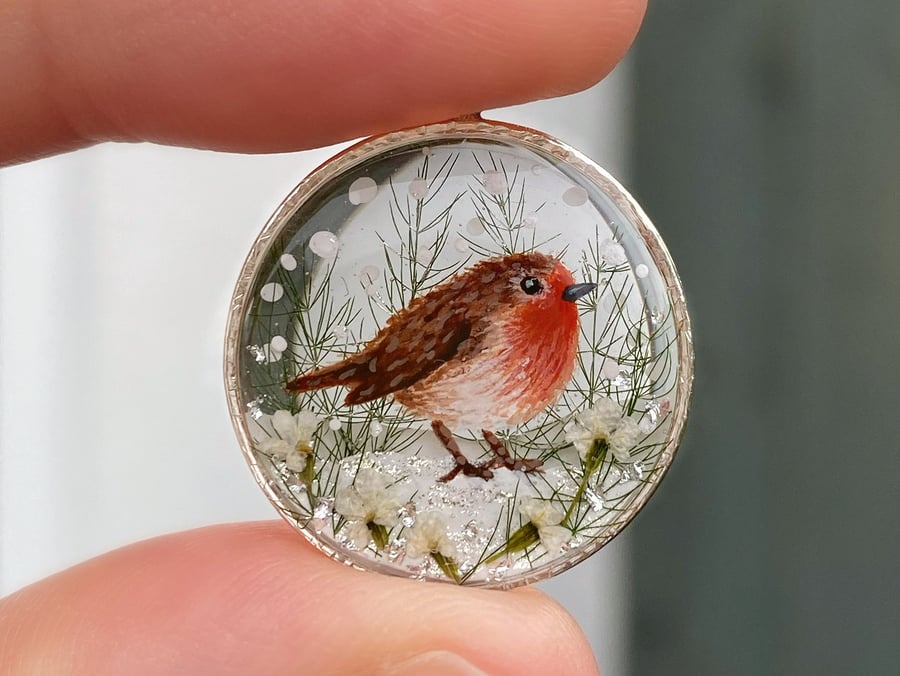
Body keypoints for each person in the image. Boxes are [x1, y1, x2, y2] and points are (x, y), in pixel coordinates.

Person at [0, 1, 646, 672]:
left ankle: (486, 454)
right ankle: (469, 453)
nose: (564, 296)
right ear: (506, 295)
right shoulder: (483, 322)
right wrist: (376, 380)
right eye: (539, 289)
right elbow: (415, 369)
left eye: (564, 288)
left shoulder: (550, 339)